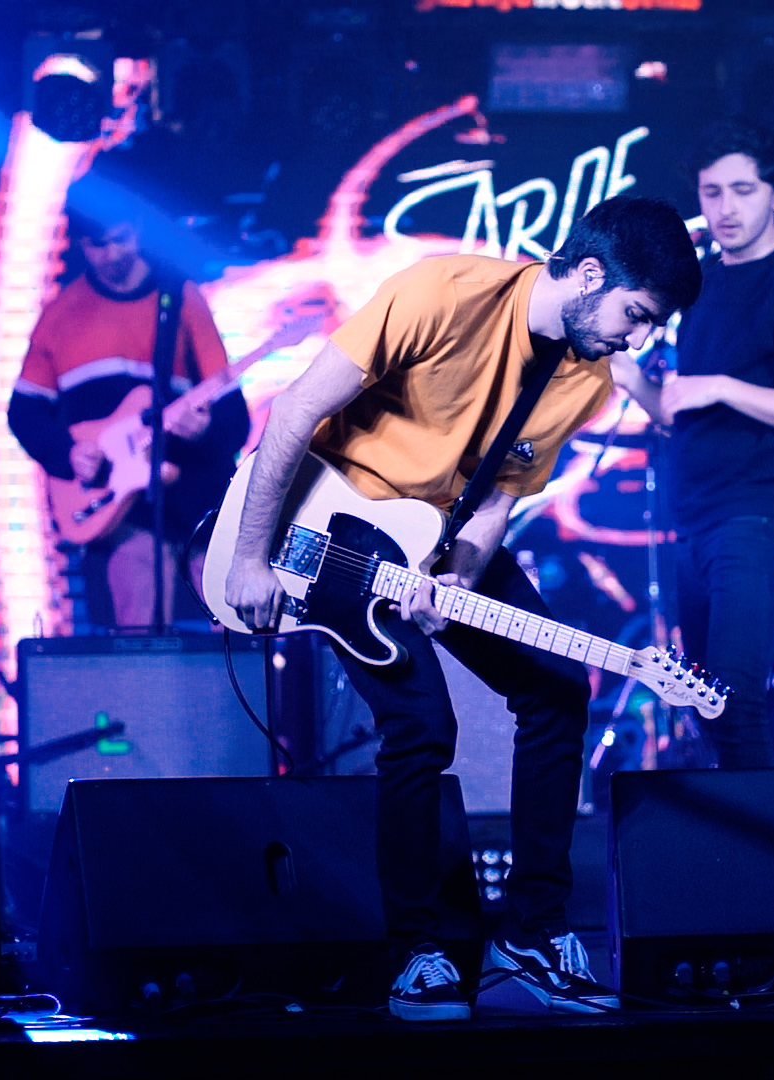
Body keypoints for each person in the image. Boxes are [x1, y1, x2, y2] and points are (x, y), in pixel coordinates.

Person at [226, 196, 702, 1021]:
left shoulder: (581, 382)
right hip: (328, 528)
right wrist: (248, 556)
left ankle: (530, 933)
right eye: (636, 315)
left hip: (432, 540)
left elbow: (495, 498)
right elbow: (297, 411)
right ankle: (418, 952)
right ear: (590, 275)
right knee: (422, 726)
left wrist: (465, 573)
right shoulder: (440, 292)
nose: (637, 340)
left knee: (558, 691)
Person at [611, 119, 774, 768]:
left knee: (735, 699)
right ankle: (727, 855)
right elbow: (676, 410)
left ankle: (762, 865)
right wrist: (627, 373)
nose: (724, 208)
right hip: (692, 520)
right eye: (711, 192)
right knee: (702, 704)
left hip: (753, 514)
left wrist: (720, 384)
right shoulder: (704, 284)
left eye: (742, 190)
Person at [8, 205, 246, 630]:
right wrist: (68, 454)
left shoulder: (181, 296)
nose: (112, 253)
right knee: (140, 637)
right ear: (82, 245)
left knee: (232, 629)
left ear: (136, 230)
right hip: (122, 507)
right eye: (98, 244)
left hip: (198, 497)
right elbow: (25, 413)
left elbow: (234, 416)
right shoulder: (61, 314)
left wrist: (207, 429)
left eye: (121, 238)